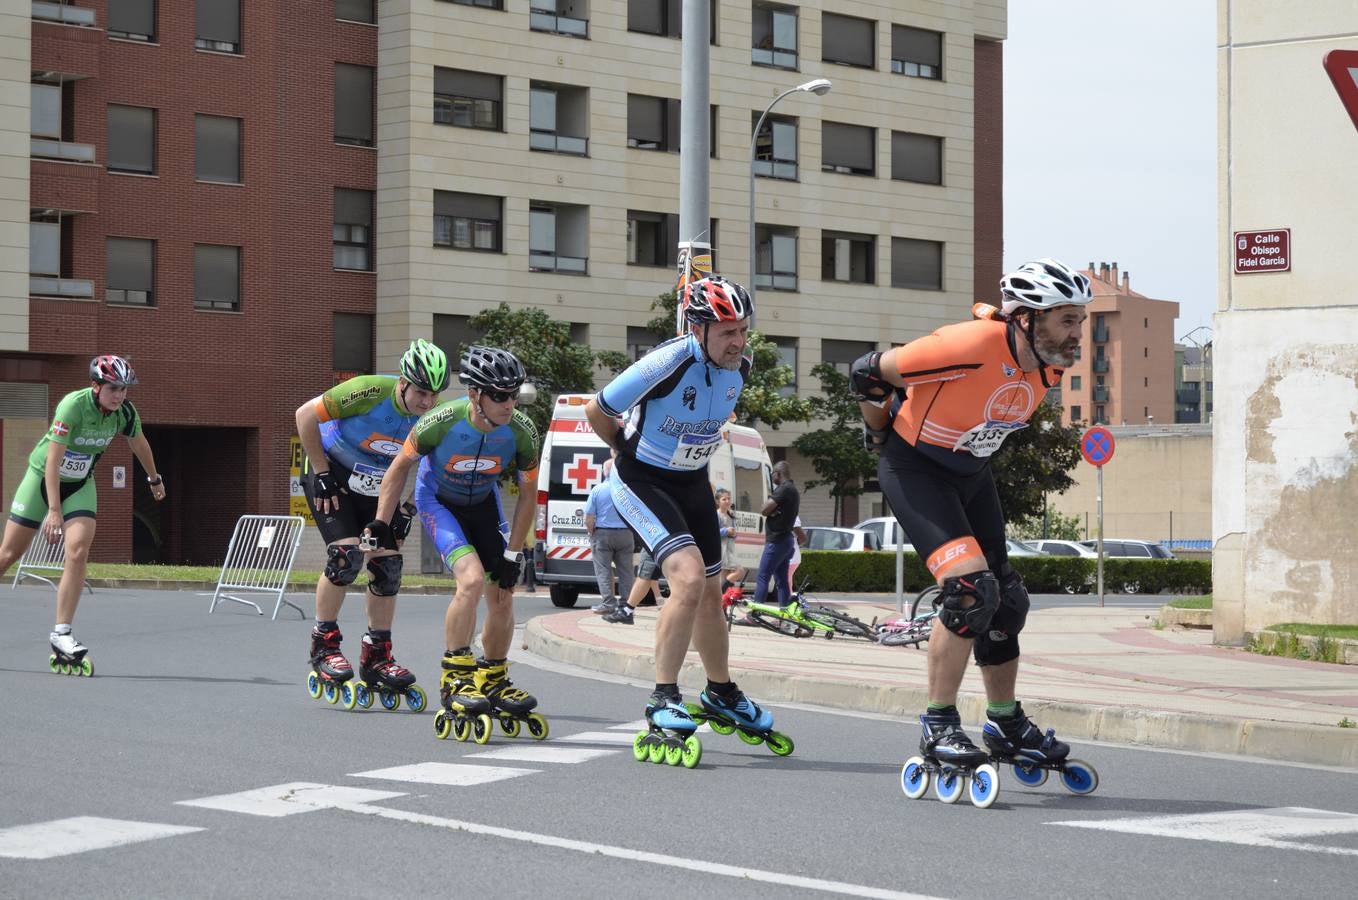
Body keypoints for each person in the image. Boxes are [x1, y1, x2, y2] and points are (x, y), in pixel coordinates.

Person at [853, 258, 1092, 773]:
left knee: (1006, 601)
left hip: (971, 473)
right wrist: (877, 436)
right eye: (1068, 319)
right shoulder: (968, 344)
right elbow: (866, 372)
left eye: (1082, 320)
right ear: (1027, 317)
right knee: (968, 595)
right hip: (915, 469)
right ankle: (938, 723)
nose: (1078, 333)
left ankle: (1004, 723)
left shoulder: (1050, 361)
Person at [585, 273, 778, 746]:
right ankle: (663, 695)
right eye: (728, 331)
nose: (739, 341)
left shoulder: (742, 366)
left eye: (743, 329)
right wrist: (623, 452)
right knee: (687, 578)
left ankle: (720, 691)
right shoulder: (666, 363)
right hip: (642, 479)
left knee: (711, 592)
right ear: (698, 329)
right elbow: (596, 410)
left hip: (692, 481)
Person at [369, 345, 543, 734]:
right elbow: (398, 469)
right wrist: (382, 523)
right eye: (499, 395)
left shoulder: (522, 431)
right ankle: (456, 674)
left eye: (514, 394)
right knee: (471, 579)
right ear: (474, 395)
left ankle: (493, 677)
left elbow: (529, 495)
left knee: (502, 590)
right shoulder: (440, 421)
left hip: (484, 505)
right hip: (439, 502)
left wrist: (515, 552)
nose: (509, 403)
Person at [294, 338, 448, 702]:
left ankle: (377, 654)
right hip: (330, 472)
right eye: (422, 393)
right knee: (346, 558)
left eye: (435, 394)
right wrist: (322, 471)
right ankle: (324, 645)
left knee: (388, 564)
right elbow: (304, 415)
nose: (427, 402)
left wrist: (408, 509)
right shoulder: (367, 390)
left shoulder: (432, 417)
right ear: (403, 382)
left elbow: (433, 464)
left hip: (378, 489)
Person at [0, 355, 166, 674]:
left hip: (79, 484)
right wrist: (53, 510)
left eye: (124, 389)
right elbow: (52, 460)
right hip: (41, 481)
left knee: (77, 551)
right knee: (8, 555)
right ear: (96, 385)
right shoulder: (72, 406)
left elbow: (139, 444)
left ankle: (62, 634)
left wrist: (154, 478)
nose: (119, 395)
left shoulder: (125, 414)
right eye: (113, 388)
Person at [585, 458, 635, 615]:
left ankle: (608, 603)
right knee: (626, 571)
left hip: (602, 534)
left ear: (604, 472)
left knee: (603, 570)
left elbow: (589, 517)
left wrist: (590, 532)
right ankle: (626, 604)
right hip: (626, 534)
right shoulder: (628, 490)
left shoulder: (597, 490)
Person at [753, 461, 800, 609]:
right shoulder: (794, 490)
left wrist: (770, 510)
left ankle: (755, 613)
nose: (772, 477)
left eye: (773, 474)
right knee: (782, 581)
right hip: (787, 540)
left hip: (777, 541)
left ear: (778, 474)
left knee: (762, 577)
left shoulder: (783, 489)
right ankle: (784, 613)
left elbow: (764, 510)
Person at [601, 547, 660, 625]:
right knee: (648, 574)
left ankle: (626, 611)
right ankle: (627, 610)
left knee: (646, 574)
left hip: (655, 542)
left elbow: (648, 575)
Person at [715, 488, 745, 589]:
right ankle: (721, 592)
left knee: (726, 578)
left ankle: (722, 599)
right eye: (724, 499)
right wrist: (726, 531)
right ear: (717, 501)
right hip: (721, 549)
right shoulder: (716, 515)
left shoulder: (730, 515)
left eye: (729, 498)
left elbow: (734, 533)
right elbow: (713, 532)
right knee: (739, 571)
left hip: (729, 549)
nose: (727, 501)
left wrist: (733, 534)